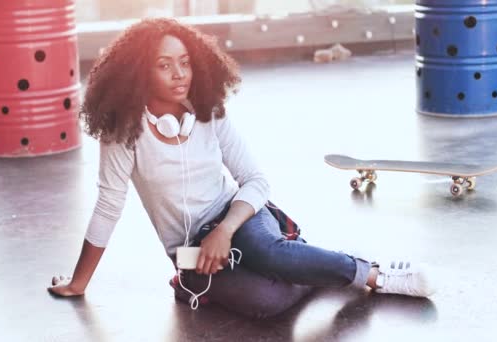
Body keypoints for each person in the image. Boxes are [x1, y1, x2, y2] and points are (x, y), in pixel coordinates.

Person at [47, 18, 434, 318]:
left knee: (269, 253)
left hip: (239, 217)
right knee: (268, 300)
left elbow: (255, 180)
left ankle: (375, 274)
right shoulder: (124, 131)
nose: (179, 74)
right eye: (164, 65)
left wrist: (226, 230)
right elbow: (108, 206)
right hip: (189, 249)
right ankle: (313, 265)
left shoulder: (208, 112)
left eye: (184, 62)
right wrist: (79, 283)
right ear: (138, 73)